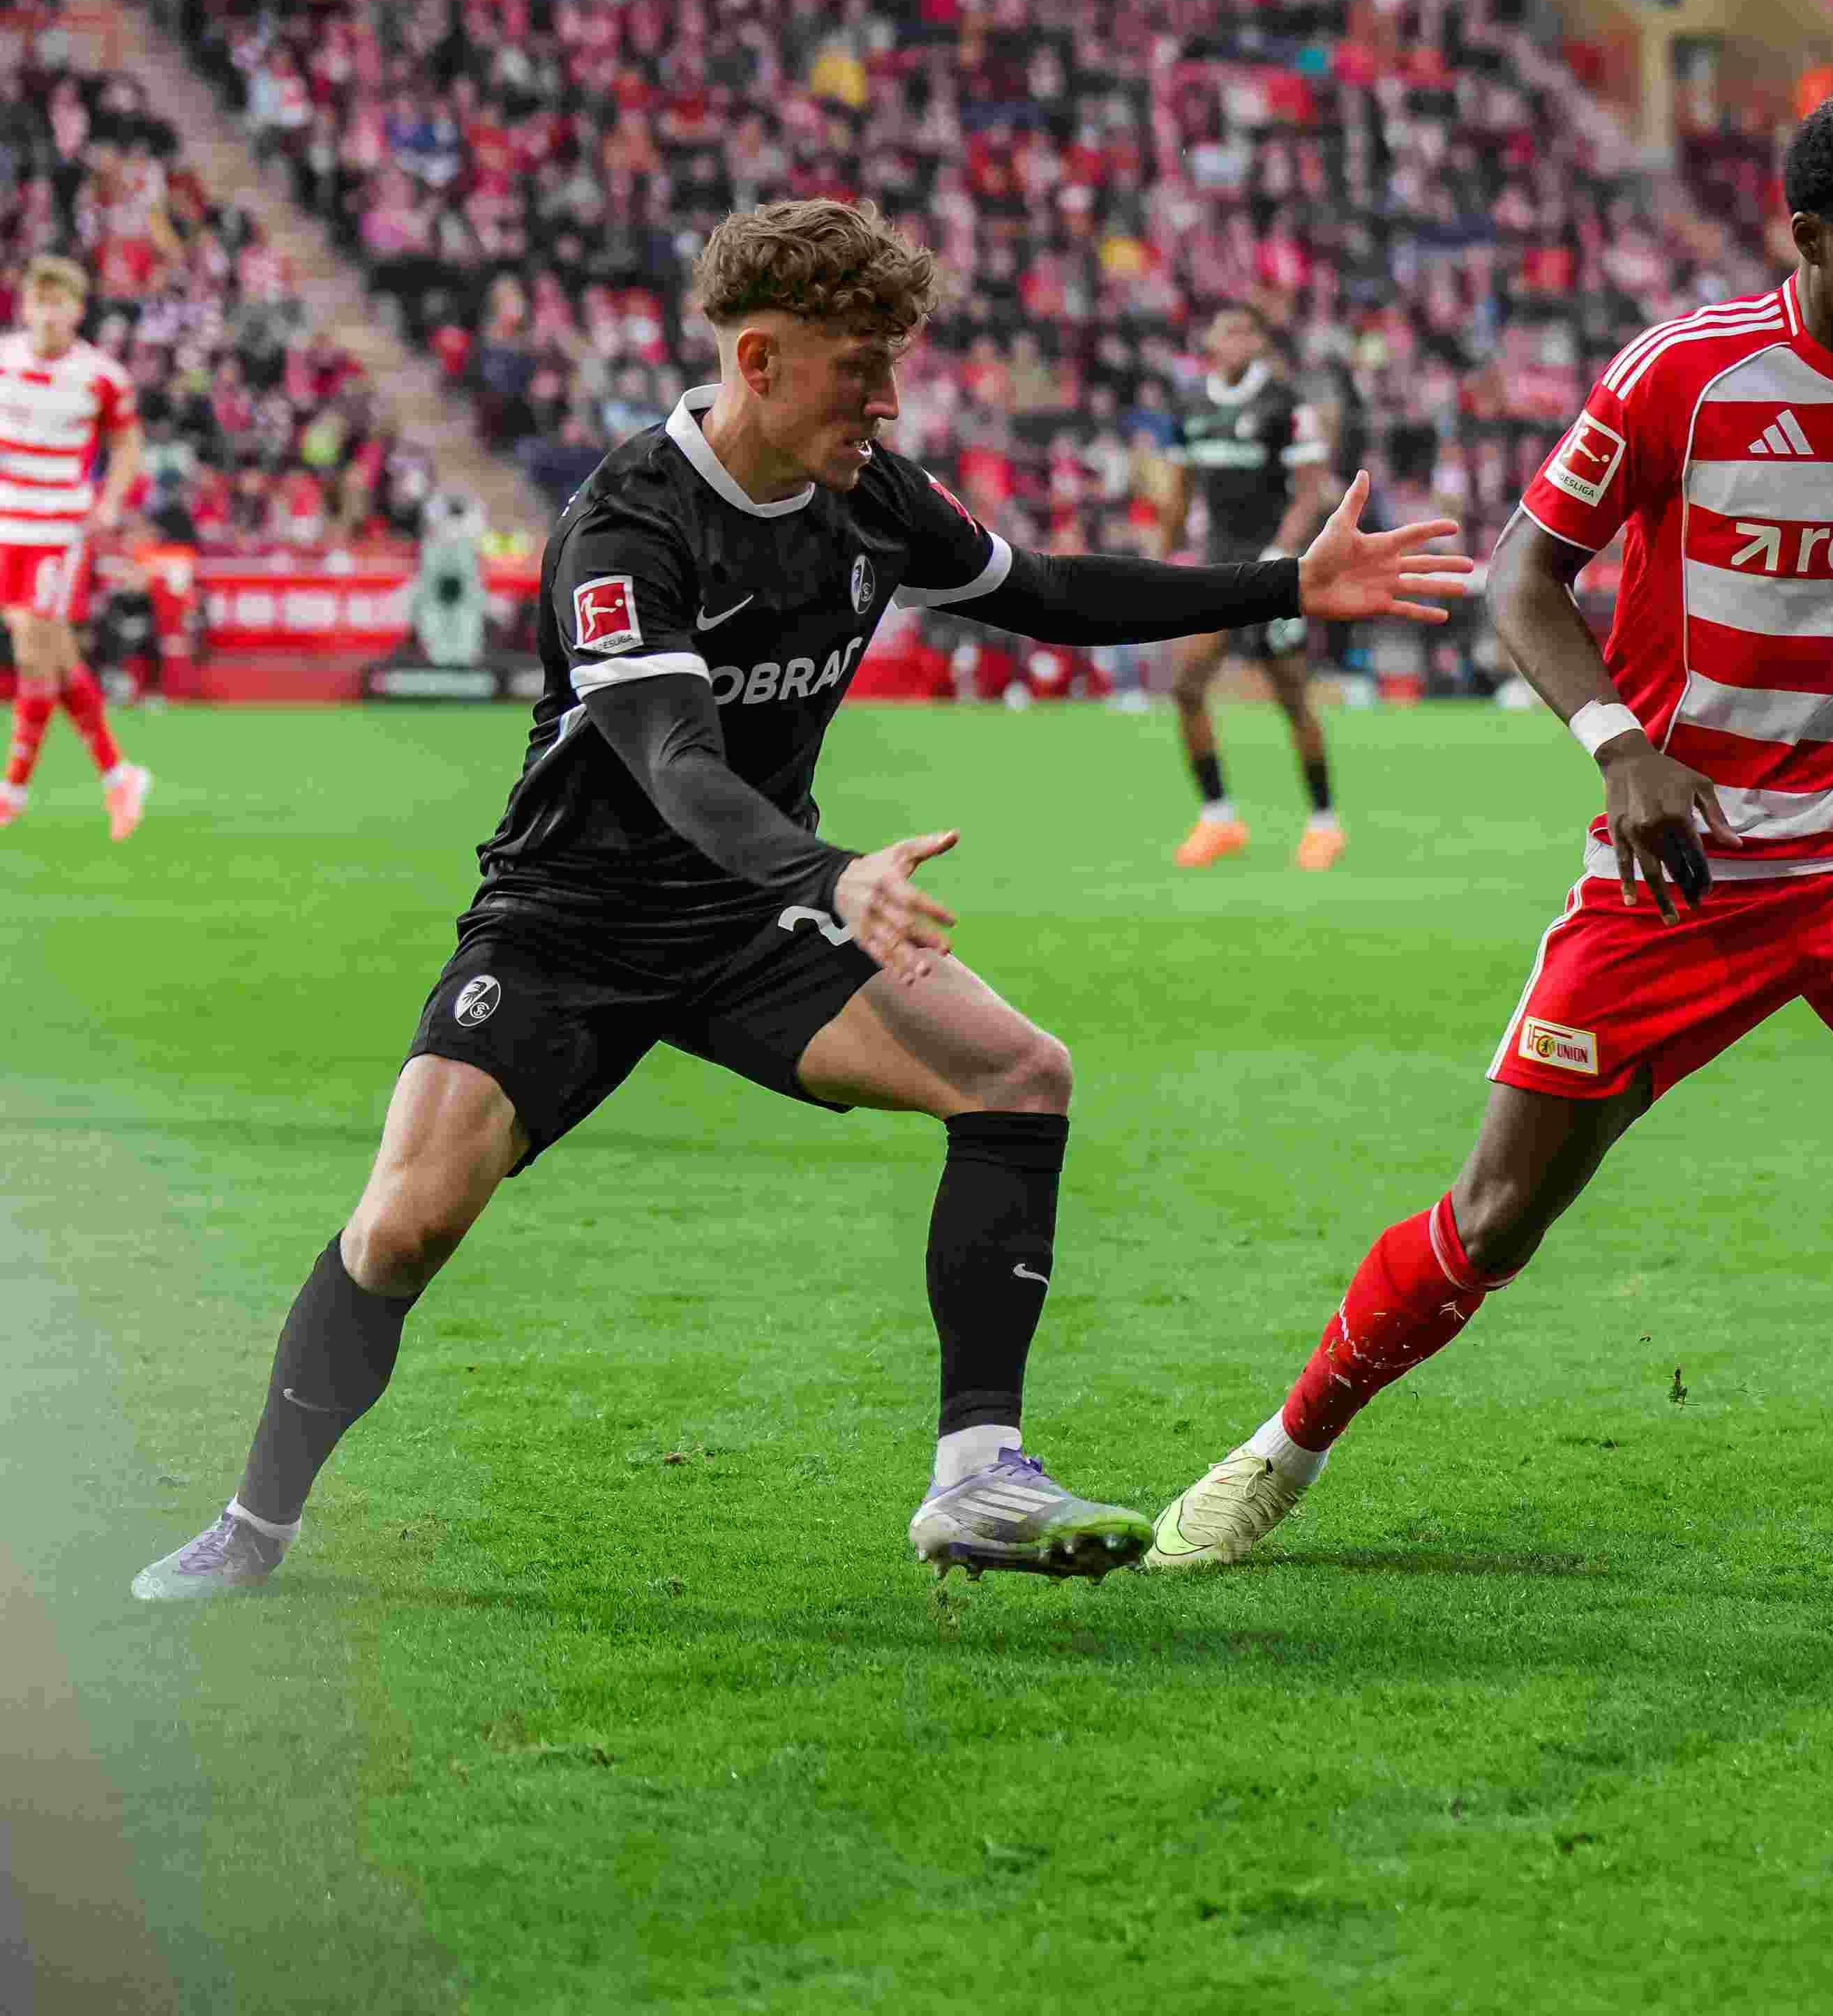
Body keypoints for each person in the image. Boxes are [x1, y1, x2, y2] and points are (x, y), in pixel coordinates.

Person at [132, 200, 1465, 1602]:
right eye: (858, 370)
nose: (887, 402)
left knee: (1018, 1073)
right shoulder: (627, 525)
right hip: (569, 920)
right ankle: (253, 1526)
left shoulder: (871, 493)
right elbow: (676, 764)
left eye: (893, 368)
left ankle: (978, 1475)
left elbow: (1051, 591)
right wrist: (829, 875)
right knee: (401, 1227)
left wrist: (1285, 584)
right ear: (758, 360)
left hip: (750, 912)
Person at [1146, 89, 1833, 1575]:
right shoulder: (1686, 375)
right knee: (1496, 1218)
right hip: (1686, 867)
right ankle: (1284, 1449)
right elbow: (1523, 577)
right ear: (1808, 237)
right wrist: (1619, 744)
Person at [1153, 307, 1345, 871]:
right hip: (1216, 570)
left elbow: (1309, 494)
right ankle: (1219, 819)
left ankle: (1325, 824)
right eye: (1225, 329)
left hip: (1272, 570)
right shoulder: (1192, 405)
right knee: (1187, 686)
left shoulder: (1285, 404)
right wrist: (1159, 562)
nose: (1234, 339)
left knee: (1291, 696)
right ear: (1210, 340)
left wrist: (1281, 552)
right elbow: (1181, 490)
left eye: (1245, 331)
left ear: (1260, 342)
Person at [0, 255, 153, 838]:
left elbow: (128, 443)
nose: (48, 314)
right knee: (57, 659)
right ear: (26, 308)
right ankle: (118, 775)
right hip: (8, 526)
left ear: (77, 311)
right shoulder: (5, 360)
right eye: (40, 303)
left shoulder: (102, 376)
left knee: (35, 655)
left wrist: (109, 502)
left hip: (59, 530)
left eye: (59, 304)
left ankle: (12, 789)